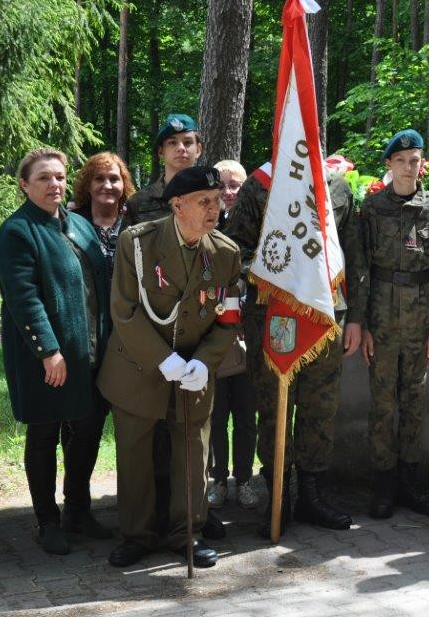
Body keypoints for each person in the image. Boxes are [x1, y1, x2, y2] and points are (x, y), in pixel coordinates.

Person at [98, 167, 241, 569]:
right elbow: (123, 310)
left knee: (193, 449)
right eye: (204, 202)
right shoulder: (138, 242)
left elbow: (228, 318)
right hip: (139, 366)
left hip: (195, 367)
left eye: (217, 200)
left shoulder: (225, 253)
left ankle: (187, 534)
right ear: (178, 205)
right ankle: (137, 535)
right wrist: (163, 359)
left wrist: (203, 362)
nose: (215, 209)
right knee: (135, 453)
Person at [224, 159, 365, 536]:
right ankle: (278, 495)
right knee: (273, 406)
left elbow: (353, 256)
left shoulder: (336, 188)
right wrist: (281, 276)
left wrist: (355, 318)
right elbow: (235, 248)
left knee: (321, 407)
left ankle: (311, 496)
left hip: (325, 315)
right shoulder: (259, 186)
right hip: (274, 316)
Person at [0, 148, 112, 557]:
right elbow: (23, 298)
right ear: (25, 184)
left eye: (59, 177)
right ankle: (47, 521)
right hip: (46, 357)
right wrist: (48, 351)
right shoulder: (17, 231)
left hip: (89, 352)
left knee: (87, 432)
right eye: (44, 178)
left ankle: (78, 509)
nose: (54, 185)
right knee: (44, 434)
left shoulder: (79, 224)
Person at [358, 130, 429, 519]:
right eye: (402, 161)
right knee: (382, 403)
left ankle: (410, 484)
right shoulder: (372, 207)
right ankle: (382, 486)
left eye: (415, 160)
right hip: (379, 316)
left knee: (414, 401)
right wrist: (360, 323)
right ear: (389, 165)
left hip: (419, 317)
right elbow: (361, 266)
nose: (409, 167)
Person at [206, 160, 259, 510]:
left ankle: (243, 480)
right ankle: (218, 480)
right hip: (213, 336)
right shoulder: (205, 225)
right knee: (216, 412)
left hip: (248, 334)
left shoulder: (259, 226)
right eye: (222, 185)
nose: (229, 192)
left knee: (245, 412)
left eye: (236, 185)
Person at [124, 114, 202, 226]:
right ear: (161, 151)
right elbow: (125, 243)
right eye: (172, 142)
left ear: (198, 150)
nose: (181, 148)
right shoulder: (138, 202)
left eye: (187, 142)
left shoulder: (212, 199)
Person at [72, 151, 136, 275]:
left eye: (114, 179)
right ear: (88, 185)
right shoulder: (72, 224)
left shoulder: (135, 223)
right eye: (99, 179)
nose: (107, 185)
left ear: (124, 185)